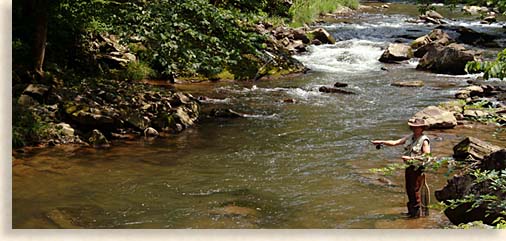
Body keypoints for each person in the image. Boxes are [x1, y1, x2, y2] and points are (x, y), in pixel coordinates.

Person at [371, 118, 431, 218]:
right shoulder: (410, 137)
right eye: (414, 127)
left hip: (417, 168)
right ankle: (411, 212)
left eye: (418, 127)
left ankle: (415, 215)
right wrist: (381, 142)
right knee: (409, 189)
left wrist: (410, 158)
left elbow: (427, 156)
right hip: (409, 167)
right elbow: (395, 142)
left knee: (414, 190)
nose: (415, 129)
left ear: (422, 128)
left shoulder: (424, 140)